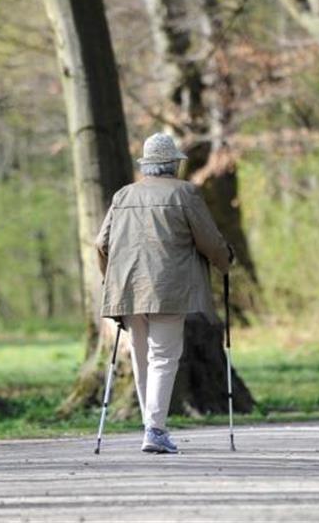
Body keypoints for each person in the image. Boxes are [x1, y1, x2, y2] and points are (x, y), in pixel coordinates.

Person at [96, 132, 233, 454]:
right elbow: (209, 241)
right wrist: (225, 260)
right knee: (163, 358)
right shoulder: (185, 193)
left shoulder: (123, 195)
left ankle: (151, 426)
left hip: (127, 289)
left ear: (147, 166)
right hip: (169, 289)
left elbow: (101, 244)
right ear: (173, 164)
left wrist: (110, 281)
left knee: (143, 359)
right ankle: (155, 430)